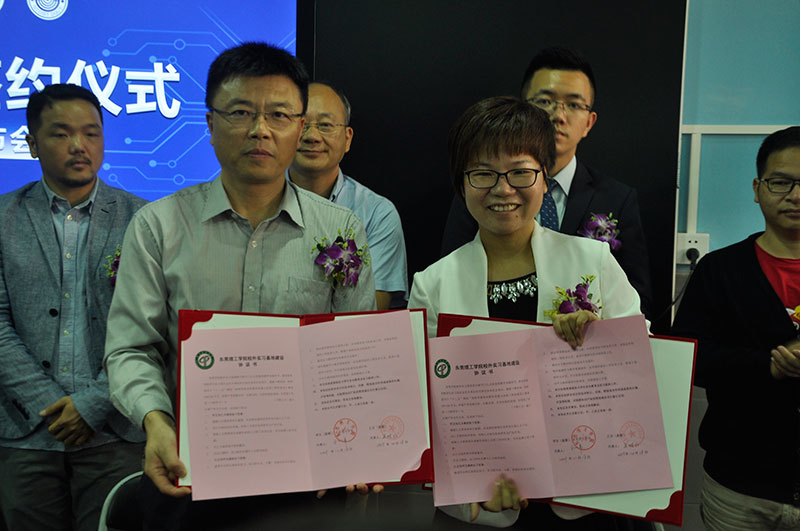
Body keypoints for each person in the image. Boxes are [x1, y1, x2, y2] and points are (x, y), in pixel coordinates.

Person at [103, 42, 376, 530]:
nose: (259, 130)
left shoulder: (342, 230)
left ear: (299, 127)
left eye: (279, 115)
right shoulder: (157, 227)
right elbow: (130, 348)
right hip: (189, 474)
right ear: (210, 124)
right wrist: (156, 422)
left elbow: (356, 355)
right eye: (241, 112)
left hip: (307, 482)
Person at [408, 96, 643, 528]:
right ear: (462, 184)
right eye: (483, 173)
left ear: (544, 178)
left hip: (585, 497)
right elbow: (424, 403)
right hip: (487, 504)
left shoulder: (593, 260)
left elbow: (644, 360)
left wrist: (603, 337)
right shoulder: (433, 284)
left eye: (520, 172)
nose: (503, 189)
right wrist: (470, 487)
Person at [0, 84, 146, 531]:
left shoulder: (144, 220)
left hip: (114, 429)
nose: (79, 145)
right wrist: (48, 404)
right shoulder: (3, 218)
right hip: (26, 431)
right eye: (61, 134)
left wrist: (92, 404)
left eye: (91, 133)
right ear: (31, 143)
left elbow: (152, 326)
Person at [440, 46, 652, 318]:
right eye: (544, 101)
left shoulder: (617, 200)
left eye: (573, 104)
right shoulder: (480, 190)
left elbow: (636, 307)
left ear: (589, 122)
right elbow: (453, 275)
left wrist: (593, 330)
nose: (557, 116)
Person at [672, 126, 800, 530]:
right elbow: (689, 358)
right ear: (758, 188)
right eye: (781, 182)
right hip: (738, 485)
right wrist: (767, 366)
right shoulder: (720, 270)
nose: (796, 195)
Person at [289, 82, 408, 309]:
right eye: (301, 124)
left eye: (325, 125)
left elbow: (369, 313)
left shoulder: (376, 214)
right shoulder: (260, 201)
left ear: (347, 138)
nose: (312, 136)